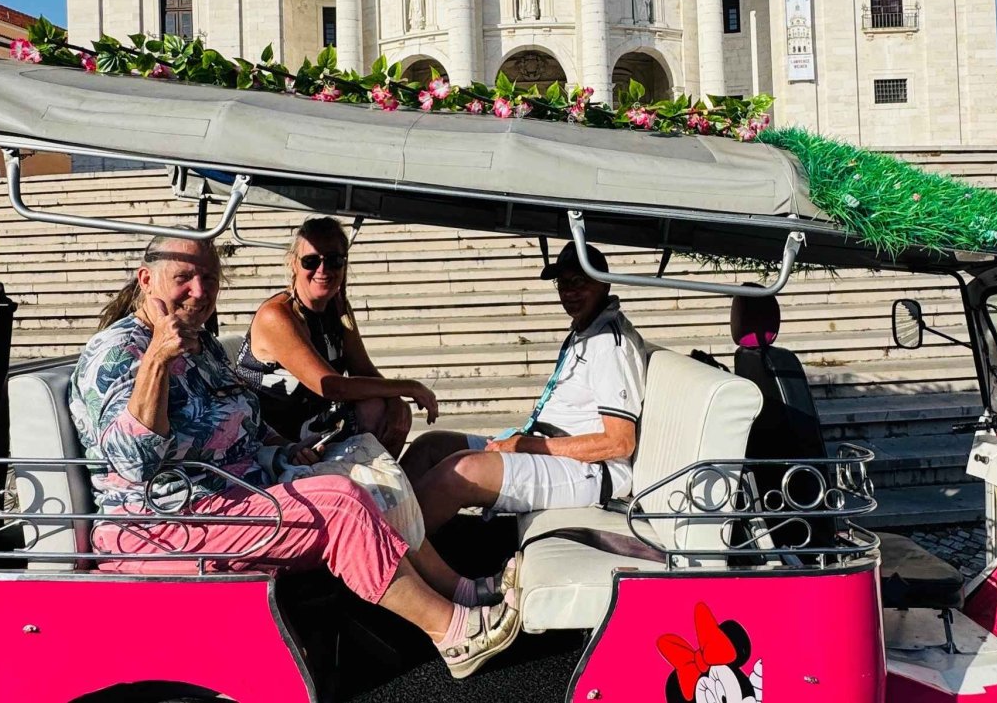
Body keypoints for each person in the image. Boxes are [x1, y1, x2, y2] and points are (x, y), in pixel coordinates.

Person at [69, 236, 520, 679]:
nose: (200, 291)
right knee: (339, 502)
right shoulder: (118, 353)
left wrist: (284, 449)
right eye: (184, 277)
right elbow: (133, 461)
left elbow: (240, 418)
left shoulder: (200, 343)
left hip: (232, 496)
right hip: (168, 526)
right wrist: (156, 362)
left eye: (209, 278)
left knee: (364, 471)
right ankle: (452, 631)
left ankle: (456, 589)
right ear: (147, 280)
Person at [401, 243, 648, 536]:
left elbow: (619, 443)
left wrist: (526, 445)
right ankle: (405, 539)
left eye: (579, 282)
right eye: (563, 283)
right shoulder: (586, 331)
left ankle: (389, 558)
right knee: (428, 448)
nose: (569, 292)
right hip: (549, 448)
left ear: (603, 283)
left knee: (461, 470)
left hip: (593, 470)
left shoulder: (609, 344)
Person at [239, 216, 430, 458]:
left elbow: (363, 370)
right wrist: (410, 387)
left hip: (313, 420)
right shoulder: (276, 315)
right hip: (268, 433)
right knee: (377, 408)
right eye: (311, 261)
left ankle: (376, 488)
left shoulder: (337, 307)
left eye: (334, 261)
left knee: (391, 411)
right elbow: (330, 386)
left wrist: (396, 400)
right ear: (294, 264)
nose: (323, 270)